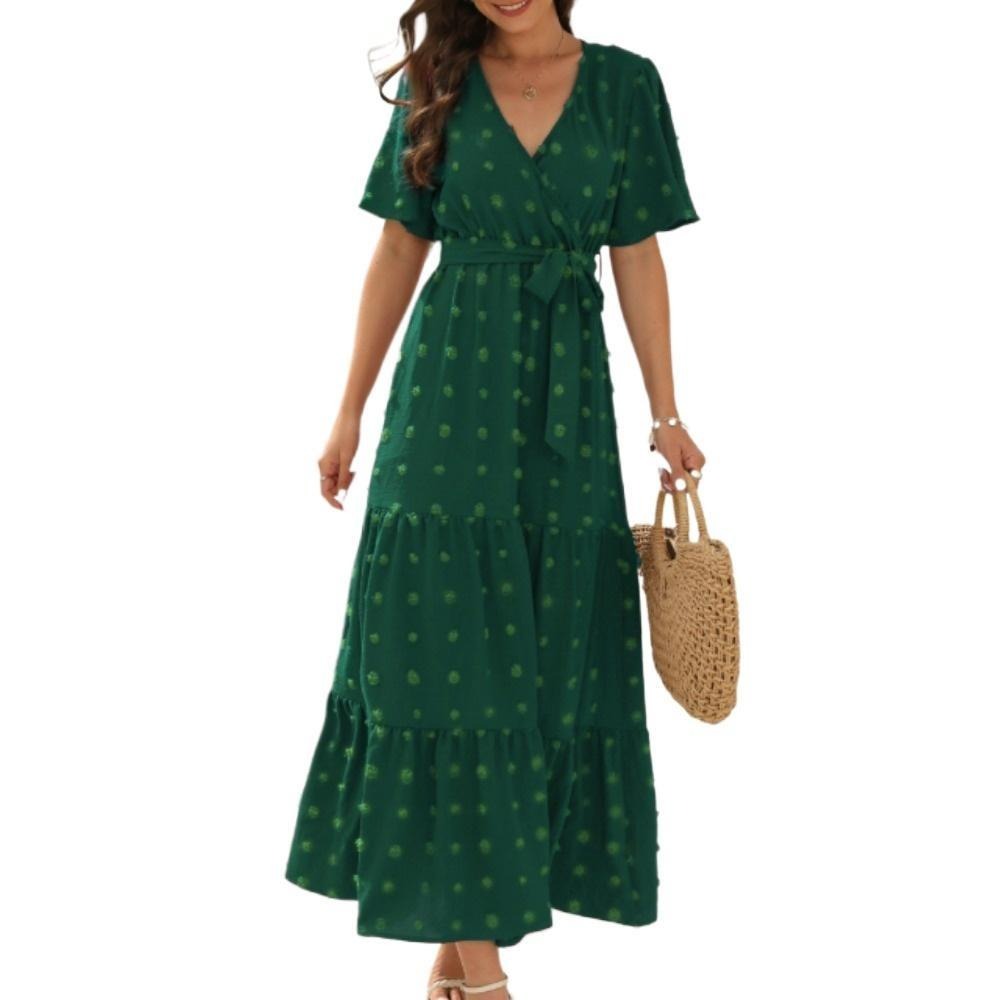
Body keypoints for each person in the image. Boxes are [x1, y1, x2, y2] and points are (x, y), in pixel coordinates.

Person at [284, 1, 706, 997]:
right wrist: (347, 411)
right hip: (447, 395)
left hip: (566, 406)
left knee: (547, 670)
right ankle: (484, 978)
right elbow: (400, 246)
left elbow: (637, 251)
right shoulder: (438, 80)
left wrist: (666, 411)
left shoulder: (626, 85)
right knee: (434, 662)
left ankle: (452, 961)